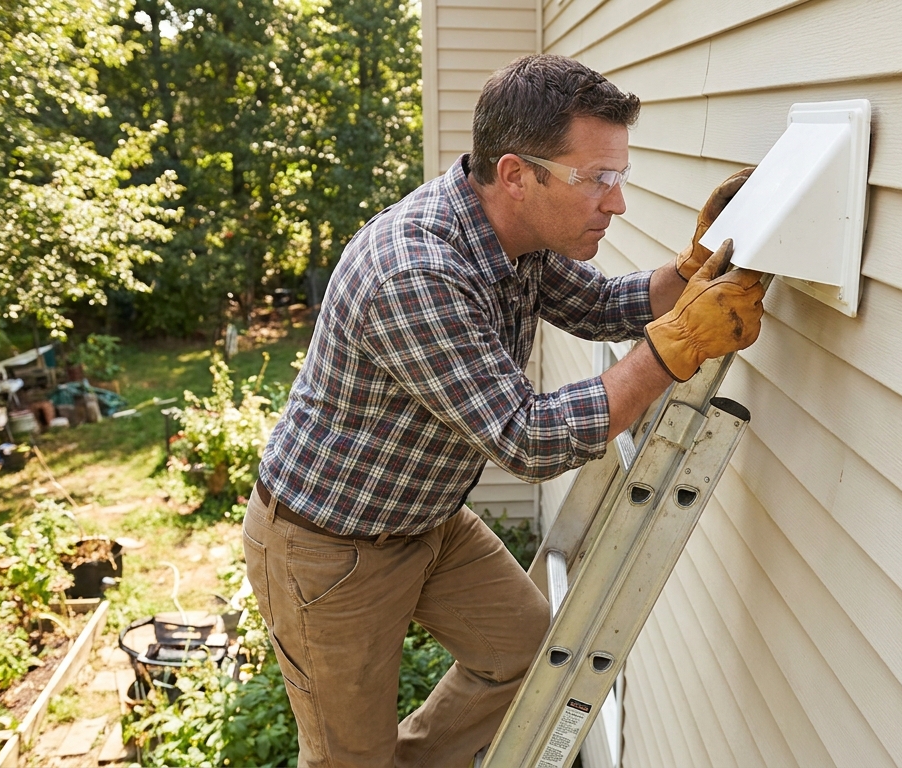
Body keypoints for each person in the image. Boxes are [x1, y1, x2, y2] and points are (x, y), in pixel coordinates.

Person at [244, 53, 764, 768]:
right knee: (346, 758)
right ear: (517, 174)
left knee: (524, 655)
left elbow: (602, 303)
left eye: (621, 177)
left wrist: (692, 272)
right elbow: (527, 438)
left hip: (425, 517)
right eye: (597, 179)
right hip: (332, 545)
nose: (616, 204)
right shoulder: (418, 269)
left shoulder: (516, 237)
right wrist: (674, 349)